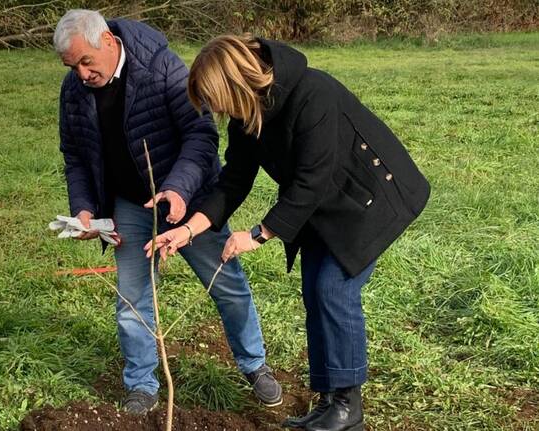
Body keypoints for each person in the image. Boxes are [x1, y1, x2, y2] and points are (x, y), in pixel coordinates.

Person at [148, 35, 431, 431]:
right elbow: (233, 181)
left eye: (215, 100)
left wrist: (259, 234)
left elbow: (311, 181)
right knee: (315, 289)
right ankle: (330, 401)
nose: (215, 111)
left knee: (334, 289)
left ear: (234, 83)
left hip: (371, 199)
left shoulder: (312, 93)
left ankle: (349, 407)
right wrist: (189, 230)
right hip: (322, 207)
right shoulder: (247, 116)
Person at [53, 12, 282, 415]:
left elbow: (201, 134)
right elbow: (74, 154)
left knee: (226, 284)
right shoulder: (74, 91)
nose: (82, 74)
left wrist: (177, 188)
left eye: (86, 62)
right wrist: (85, 208)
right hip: (129, 205)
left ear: (107, 40)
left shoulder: (161, 68)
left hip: (190, 202)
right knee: (132, 299)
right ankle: (141, 384)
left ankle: (254, 364)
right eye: (72, 67)